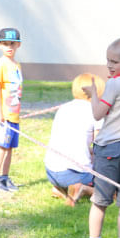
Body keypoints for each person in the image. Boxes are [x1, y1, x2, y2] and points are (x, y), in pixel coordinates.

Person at [82, 38, 120, 238]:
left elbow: (98, 113)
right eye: (108, 61)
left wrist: (93, 95)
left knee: (100, 199)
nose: (109, 66)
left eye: (115, 62)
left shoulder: (114, 84)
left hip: (110, 148)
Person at [45, 73, 105, 206]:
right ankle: (84, 189)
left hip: (51, 172)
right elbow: (100, 146)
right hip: (74, 174)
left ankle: (60, 189)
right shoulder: (96, 112)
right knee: (110, 185)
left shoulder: (64, 108)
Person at [0, 28, 24, 192]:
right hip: (5, 114)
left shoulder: (16, 65)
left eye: (12, 44)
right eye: (5, 44)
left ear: (18, 45)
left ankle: (4, 176)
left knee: (10, 147)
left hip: (14, 114)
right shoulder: (1, 64)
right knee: (2, 145)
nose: (9, 47)